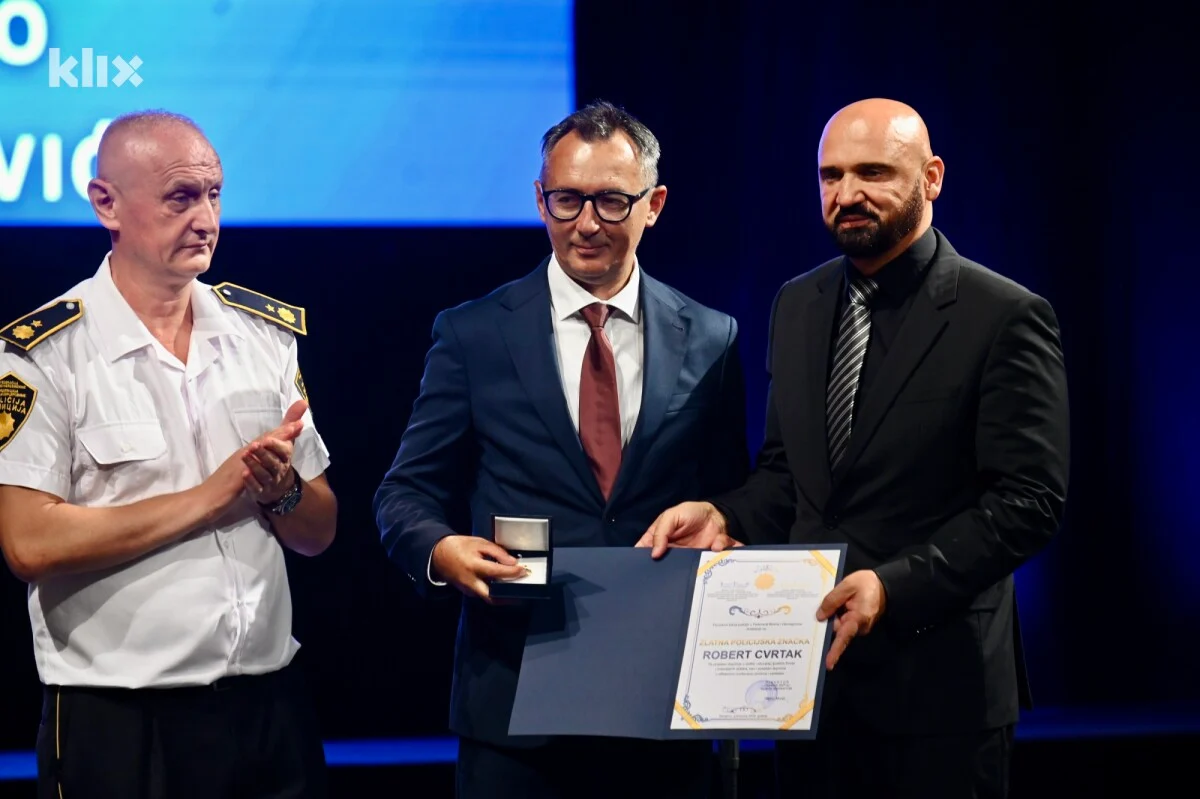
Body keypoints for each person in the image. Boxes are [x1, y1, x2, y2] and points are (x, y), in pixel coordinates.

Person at [639, 98, 1070, 798]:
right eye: (830, 175)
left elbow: (1029, 501)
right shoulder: (796, 304)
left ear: (932, 177)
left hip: (941, 698)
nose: (846, 194)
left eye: (873, 173)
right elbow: (789, 475)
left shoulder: (1005, 315)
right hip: (809, 691)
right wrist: (724, 515)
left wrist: (893, 586)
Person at [374, 99, 749, 799]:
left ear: (654, 205)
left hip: (664, 698)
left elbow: (736, 490)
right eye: (567, 199)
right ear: (539, 200)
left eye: (611, 201)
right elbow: (404, 492)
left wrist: (728, 521)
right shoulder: (473, 333)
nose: (587, 223)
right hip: (515, 705)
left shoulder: (711, 335)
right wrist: (440, 550)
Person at [0, 110, 336, 799]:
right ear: (106, 204)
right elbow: (29, 542)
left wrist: (281, 492)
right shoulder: (42, 355)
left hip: (269, 709)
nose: (205, 219)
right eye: (180, 198)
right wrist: (211, 496)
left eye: (214, 195)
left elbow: (319, 531)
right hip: (122, 722)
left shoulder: (262, 337)